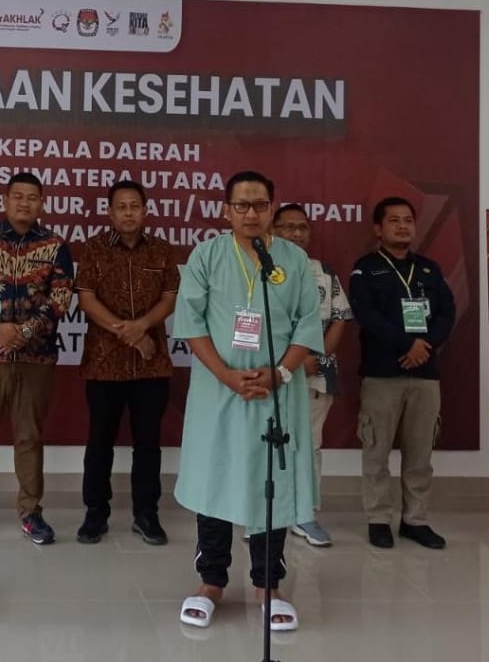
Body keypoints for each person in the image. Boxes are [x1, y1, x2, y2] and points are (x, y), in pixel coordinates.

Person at [174, 171, 322, 632]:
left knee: (271, 483)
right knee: (214, 480)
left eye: (260, 204)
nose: (251, 213)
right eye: (241, 205)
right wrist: (226, 375)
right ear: (226, 211)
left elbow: (307, 324)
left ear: (273, 208)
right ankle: (211, 582)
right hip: (218, 392)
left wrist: (279, 373)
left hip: (277, 393)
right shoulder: (207, 255)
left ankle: (267, 585)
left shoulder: (294, 260)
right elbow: (190, 322)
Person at [0, 172, 74, 545]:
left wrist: (23, 332)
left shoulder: (55, 245)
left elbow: (60, 298)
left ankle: (30, 512)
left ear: (42, 203)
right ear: (5, 200)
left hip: (35, 358)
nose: (24, 203)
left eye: (32, 197)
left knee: (29, 437)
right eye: (18, 196)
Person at [74, 180, 178, 546]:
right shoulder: (93, 248)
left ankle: (146, 514)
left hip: (151, 363)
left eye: (135, 206)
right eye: (121, 207)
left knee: (148, 442)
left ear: (145, 211)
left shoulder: (162, 250)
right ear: (110, 212)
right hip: (104, 361)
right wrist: (129, 332)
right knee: (99, 441)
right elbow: (87, 300)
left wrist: (142, 326)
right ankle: (95, 513)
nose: (129, 213)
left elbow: (169, 298)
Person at [350, 196, 455, 550]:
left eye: (408, 220)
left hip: (425, 374)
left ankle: (415, 520)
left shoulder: (428, 269)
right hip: (382, 374)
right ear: (378, 229)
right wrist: (407, 343)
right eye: (394, 220)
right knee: (376, 451)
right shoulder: (366, 269)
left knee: (420, 455)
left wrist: (426, 345)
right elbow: (366, 315)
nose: (402, 226)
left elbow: (447, 312)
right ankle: (379, 519)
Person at [273, 203, 352, 547]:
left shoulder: (323, 272)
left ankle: (305, 514)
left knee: (309, 445)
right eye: (287, 227)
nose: (296, 233)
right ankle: (264, 515)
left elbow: (339, 319)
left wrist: (315, 357)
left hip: (315, 373)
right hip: (272, 373)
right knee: (268, 443)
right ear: (273, 230)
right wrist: (289, 361)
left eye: (302, 227)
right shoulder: (259, 269)